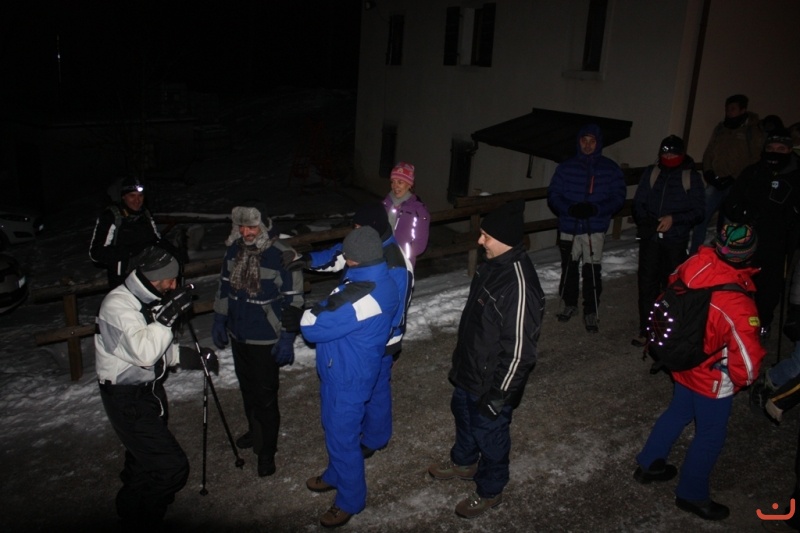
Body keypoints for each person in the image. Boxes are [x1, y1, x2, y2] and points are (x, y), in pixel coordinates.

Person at [633, 223, 765, 522]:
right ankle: (692, 494)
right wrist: (742, 381)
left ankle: (649, 464)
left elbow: (671, 286)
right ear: (748, 255)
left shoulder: (694, 263)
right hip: (711, 374)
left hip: (682, 360)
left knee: (678, 411)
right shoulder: (736, 302)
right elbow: (746, 361)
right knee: (710, 434)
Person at [427, 199, 544, 519]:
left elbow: (520, 352)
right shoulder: (491, 266)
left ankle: (490, 489)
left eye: (486, 236)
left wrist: (499, 394)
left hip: (492, 384)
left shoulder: (519, 285)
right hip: (470, 370)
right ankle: (464, 462)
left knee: (490, 435)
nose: (480, 241)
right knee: (463, 416)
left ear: (504, 239)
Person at [285, 202, 413, 458]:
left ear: (372, 229)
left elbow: (394, 311)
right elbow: (339, 254)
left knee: (375, 390)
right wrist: (306, 260)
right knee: (368, 388)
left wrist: (385, 345)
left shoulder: (396, 265)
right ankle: (365, 430)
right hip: (361, 328)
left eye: (358, 227)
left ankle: (376, 437)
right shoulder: (366, 245)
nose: (354, 231)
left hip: (379, 339)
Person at [300, 226, 399, 528]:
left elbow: (311, 325)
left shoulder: (360, 296)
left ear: (354, 259)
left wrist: (313, 308)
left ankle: (350, 500)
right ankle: (335, 473)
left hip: (347, 378)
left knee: (343, 438)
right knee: (334, 430)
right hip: (346, 369)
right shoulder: (381, 279)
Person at [95, 245, 201, 525]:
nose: (174, 286)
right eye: (171, 280)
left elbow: (152, 344)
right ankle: (146, 516)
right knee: (172, 468)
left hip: (148, 390)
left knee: (143, 458)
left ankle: (129, 507)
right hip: (126, 396)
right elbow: (144, 353)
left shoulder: (147, 299)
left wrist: (184, 356)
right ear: (155, 278)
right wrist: (167, 317)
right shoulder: (117, 306)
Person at [211, 205, 304, 477]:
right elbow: (224, 286)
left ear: (264, 227)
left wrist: (287, 336)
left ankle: (267, 451)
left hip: (265, 337)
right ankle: (256, 431)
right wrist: (220, 317)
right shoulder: (234, 250)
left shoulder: (282, 254)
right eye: (241, 226)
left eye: (251, 227)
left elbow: (294, 299)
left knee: (265, 397)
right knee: (248, 390)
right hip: (239, 334)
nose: (246, 232)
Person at [547, 123, 626, 332]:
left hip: (594, 226)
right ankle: (569, 304)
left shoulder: (610, 168)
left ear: (598, 143)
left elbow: (618, 197)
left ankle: (591, 310)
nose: (588, 145)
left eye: (592, 141)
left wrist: (596, 208)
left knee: (592, 270)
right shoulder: (566, 167)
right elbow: (554, 195)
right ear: (579, 142)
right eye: (584, 141)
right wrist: (569, 208)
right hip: (569, 225)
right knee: (569, 268)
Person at [723, 127, 800, 339]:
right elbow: (732, 202)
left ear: (789, 150)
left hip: (780, 242)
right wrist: (742, 215)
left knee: (770, 288)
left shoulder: (796, 175)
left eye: (781, 148)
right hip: (749, 238)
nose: (775, 152)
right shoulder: (753, 172)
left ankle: (762, 322)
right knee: (742, 283)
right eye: (771, 148)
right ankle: (739, 322)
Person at [632, 135, 705, 346]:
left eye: (673, 154)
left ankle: (668, 331)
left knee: (671, 288)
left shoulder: (690, 177)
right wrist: (646, 221)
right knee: (647, 285)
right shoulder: (652, 173)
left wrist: (674, 219)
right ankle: (647, 330)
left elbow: (699, 211)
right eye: (665, 153)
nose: (669, 157)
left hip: (675, 241)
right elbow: (639, 202)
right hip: (651, 239)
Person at [690, 94, 764, 254]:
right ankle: (695, 254)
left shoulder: (752, 131)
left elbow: (754, 159)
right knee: (700, 217)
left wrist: (735, 178)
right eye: (727, 109)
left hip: (736, 185)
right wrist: (708, 172)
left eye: (733, 109)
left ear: (743, 110)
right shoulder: (720, 129)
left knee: (729, 224)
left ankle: (726, 256)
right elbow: (709, 152)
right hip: (716, 181)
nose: (729, 112)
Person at [89, 176, 166, 288]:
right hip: (123, 281)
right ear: (124, 197)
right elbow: (96, 253)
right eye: (132, 196)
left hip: (147, 276)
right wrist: (129, 252)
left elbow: (156, 240)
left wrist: (170, 250)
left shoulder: (145, 214)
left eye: (140, 196)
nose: (137, 200)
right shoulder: (111, 216)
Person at [382, 161, 430, 268]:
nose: (395, 186)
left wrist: (405, 254)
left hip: (403, 262)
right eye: (393, 182)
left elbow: (421, 241)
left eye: (400, 182)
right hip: (382, 259)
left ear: (409, 185)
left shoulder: (418, 210)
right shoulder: (385, 204)